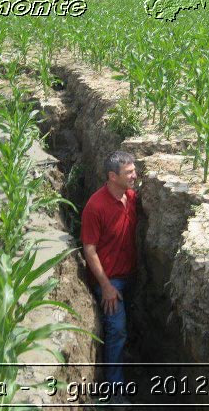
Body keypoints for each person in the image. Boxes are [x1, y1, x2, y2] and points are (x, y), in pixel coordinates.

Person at [80, 150, 138, 395]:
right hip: (109, 280)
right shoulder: (96, 206)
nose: (135, 175)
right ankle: (115, 390)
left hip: (130, 275)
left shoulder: (131, 197)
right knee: (117, 329)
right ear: (112, 176)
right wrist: (105, 286)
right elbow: (89, 249)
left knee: (125, 327)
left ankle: (124, 357)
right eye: (129, 173)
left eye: (134, 170)